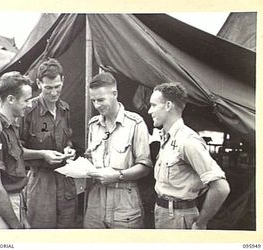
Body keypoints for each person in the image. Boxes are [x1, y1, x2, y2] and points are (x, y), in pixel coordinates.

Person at [0, 72, 64, 229]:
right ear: (10, 99)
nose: (29, 105)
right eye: (26, 100)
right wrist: (15, 225)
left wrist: (42, 154)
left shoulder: (10, 126)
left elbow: (15, 152)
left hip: (13, 202)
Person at [148, 82, 230, 229]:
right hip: (163, 213)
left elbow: (220, 187)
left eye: (154, 105)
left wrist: (200, 224)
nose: (149, 111)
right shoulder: (167, 137)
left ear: (168, 106)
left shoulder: (187, 141)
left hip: (179, 217)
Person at [83, 72, 152, 229]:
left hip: (125, 202)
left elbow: (145, 167)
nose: (96, 105)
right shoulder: (93, 124)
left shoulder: (135, 123)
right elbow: (90, 158)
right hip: (96, 203)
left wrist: (118, 175)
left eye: (101, 100)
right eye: (93, 100)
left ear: (114, 94)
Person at [20, 59, 78, 228]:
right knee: (42, 232)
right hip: (41, 181)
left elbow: (67, 139)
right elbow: (16, 150)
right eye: (48, 88)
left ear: (63, 80)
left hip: (65, 178)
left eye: (57, 86)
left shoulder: (64, 109)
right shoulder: (28, 110)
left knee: (67, 230)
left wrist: (69, 149)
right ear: (38, 83)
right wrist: (42, 155)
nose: (54, 93)